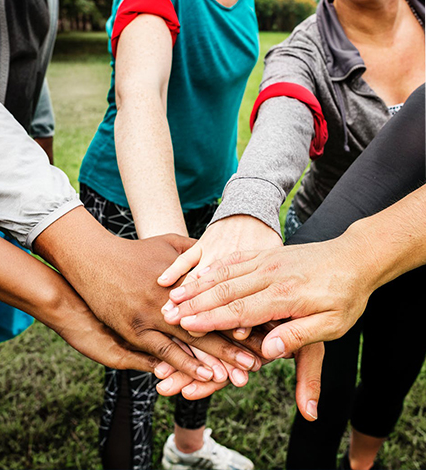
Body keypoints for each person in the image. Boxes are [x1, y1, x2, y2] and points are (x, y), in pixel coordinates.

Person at [157, 0, 425, 468]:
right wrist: (249, 206)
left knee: (392, 375)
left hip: (415, 253)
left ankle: (361, 464)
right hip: (320, 255)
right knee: (325, 396)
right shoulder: (302, 51)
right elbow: (284, 112)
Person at [77, 0, 268, 468]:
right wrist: (169, 250)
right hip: (129, 201)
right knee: (143, 358)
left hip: (209, 199)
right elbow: (140, 95)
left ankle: (187, 449)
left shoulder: (245, 4)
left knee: (209, 332)